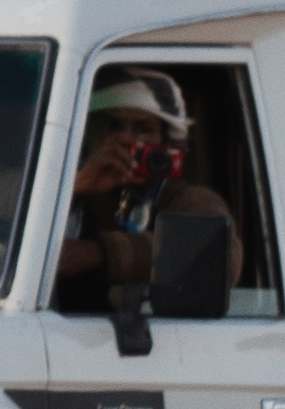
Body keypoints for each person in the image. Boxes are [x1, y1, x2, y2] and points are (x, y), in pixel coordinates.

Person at [48, 67, 240, 318]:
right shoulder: (52, 189)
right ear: (87, 136)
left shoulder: (188, 200)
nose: (127, 139)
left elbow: (220, 258)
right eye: (111, 126)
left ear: (167, 142)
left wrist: (94, 253)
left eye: (143, 128)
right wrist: (72, 188)